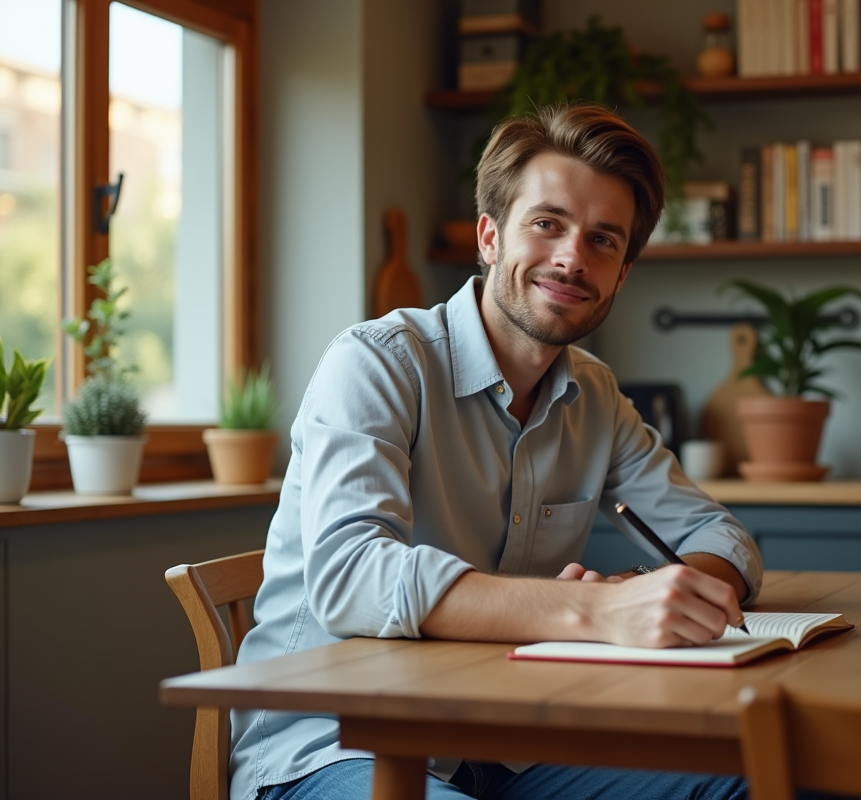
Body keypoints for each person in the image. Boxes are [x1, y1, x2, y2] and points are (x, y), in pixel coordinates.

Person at [230, 103, 764, 800]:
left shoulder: (596, 396)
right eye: (548, 224)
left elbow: (720, 536)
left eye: (604, 240)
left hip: (509, 745)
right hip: (333, 746)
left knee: (761, 781)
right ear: (489, 236)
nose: (573, 257)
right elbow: (351, 577)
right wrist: (598, 613)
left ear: (623, 274)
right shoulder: (375, 363)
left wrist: (662, 593)